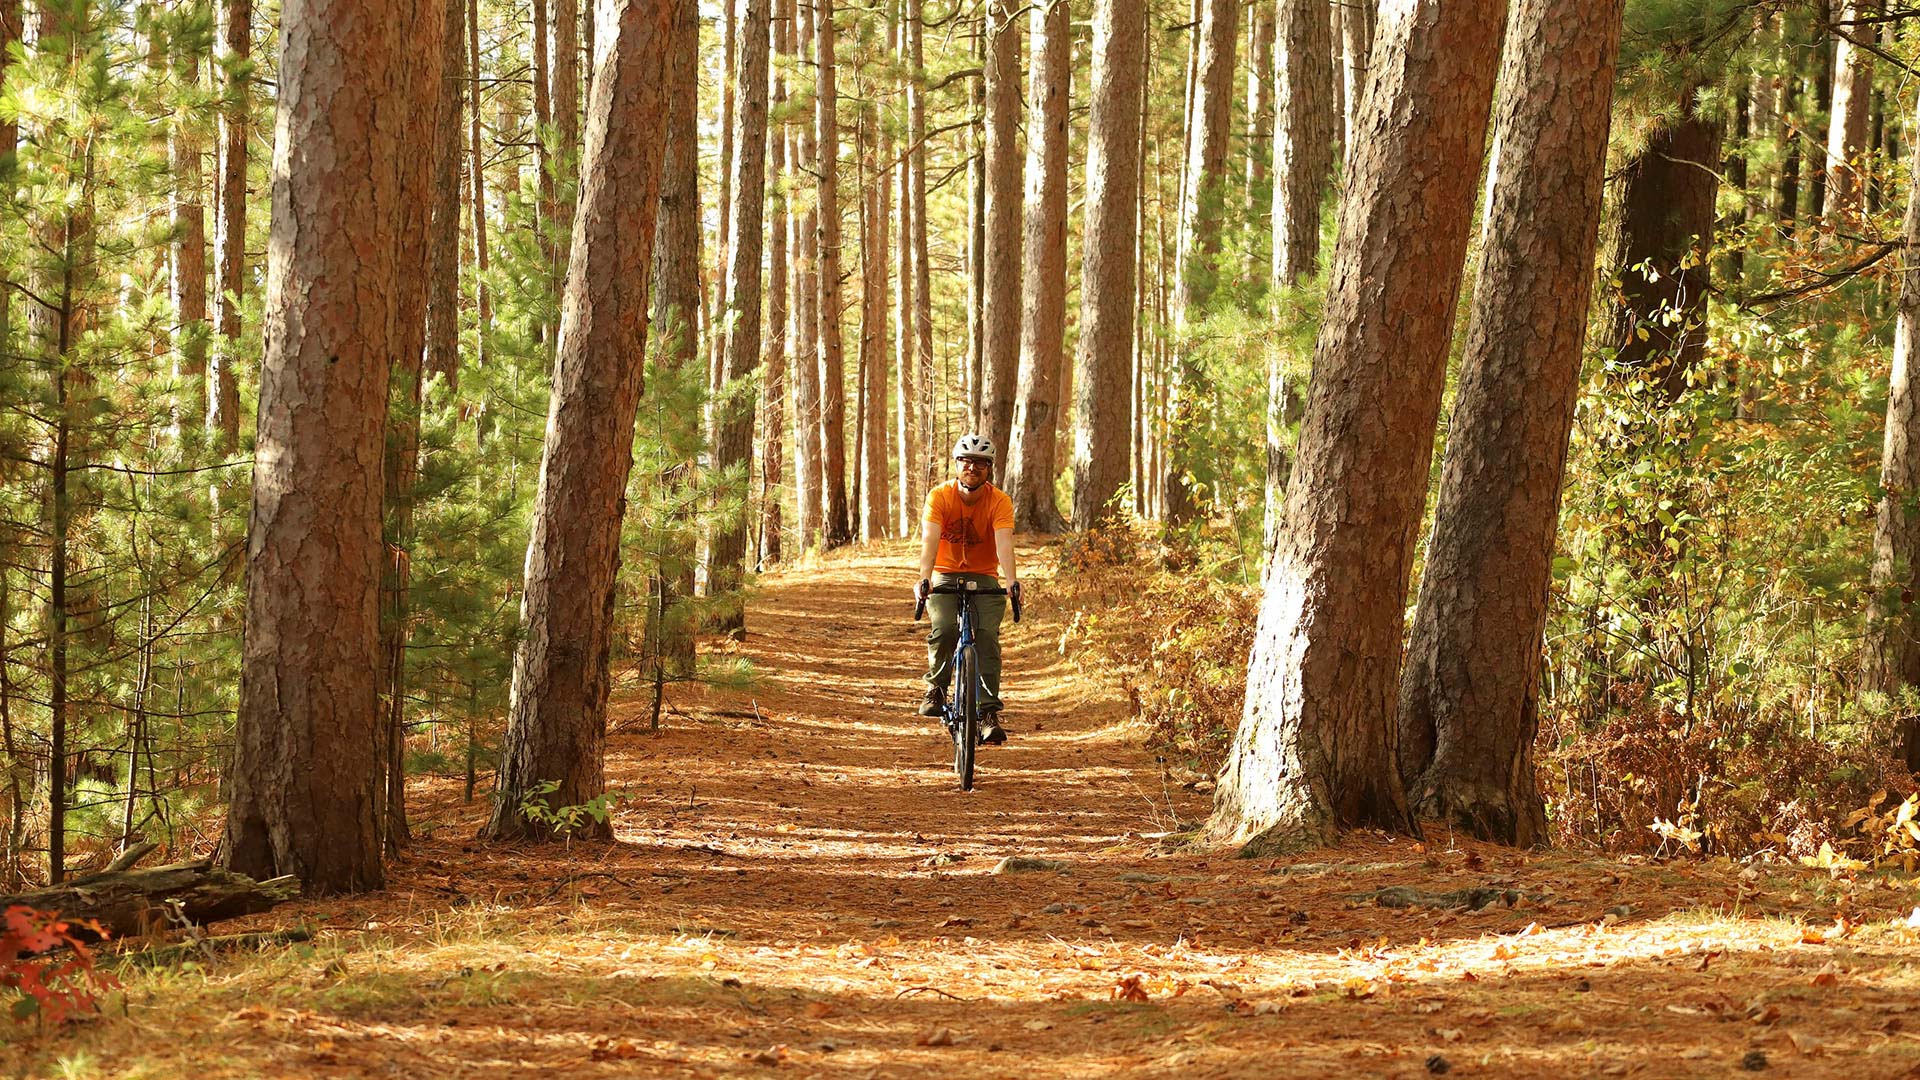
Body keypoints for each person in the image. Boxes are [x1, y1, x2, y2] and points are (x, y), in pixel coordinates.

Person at [915, 434, 1021, 744]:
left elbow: (1004, 542)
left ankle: (988, 713)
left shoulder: (999, 501)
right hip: (945, 574)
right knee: (946, 628)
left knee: (986, 637)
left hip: (985, 576)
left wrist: (1011, 580)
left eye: (979, 463)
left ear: (989, 469)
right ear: (957, 464)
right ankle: (936, 688)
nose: (971, 468)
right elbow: (930, 540)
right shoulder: (940, 497)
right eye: (966, 461)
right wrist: (924, 578)